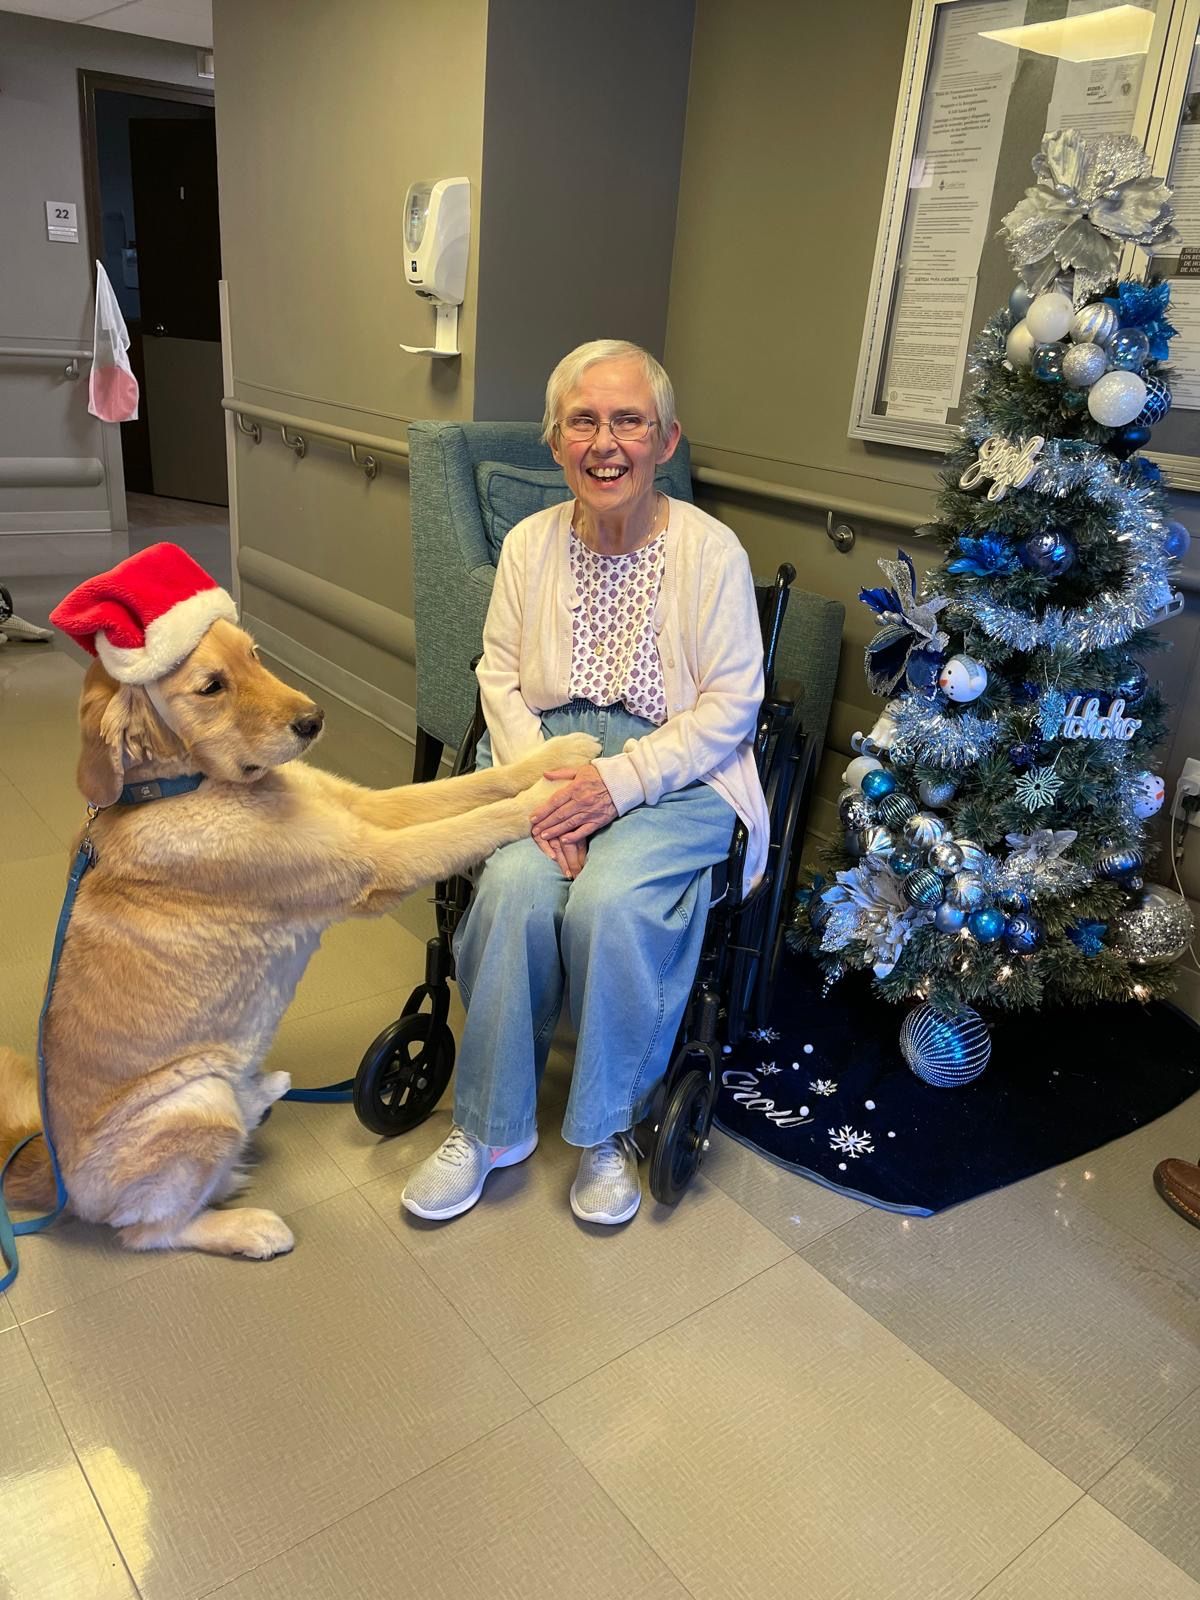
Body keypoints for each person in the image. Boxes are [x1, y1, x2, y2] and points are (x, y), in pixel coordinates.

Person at [401, 339, 768, 1226]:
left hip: (678, 768)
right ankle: (491, 1130)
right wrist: (541, 793)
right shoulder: (529, 545)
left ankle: (605, 1131)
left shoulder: (713, 553)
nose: (608, 443)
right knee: (517, 892)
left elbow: (730, 708)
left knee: (609, 905)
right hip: (542, 759)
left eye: (630, 421)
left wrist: (618, 783)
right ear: (557, 440)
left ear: (666, 440)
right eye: (585, 421)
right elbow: (497, 678)